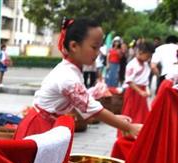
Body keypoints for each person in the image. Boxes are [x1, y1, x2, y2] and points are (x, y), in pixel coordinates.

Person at [14, 18, 142, 140]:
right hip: (37, 129)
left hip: (44, 125)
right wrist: (128, 127)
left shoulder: (71, 70)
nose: (98, 53)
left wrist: (115, 118)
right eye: (94, 47)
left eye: (99, 47)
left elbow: (86, 105)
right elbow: (93, 110)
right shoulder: (68, 77)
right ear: (74, 46)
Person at [120, 42, 153, 131]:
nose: (148, 58)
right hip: (133, 91)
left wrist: (147, 90)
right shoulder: (132, 64)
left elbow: (145, 81)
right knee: (130, 113)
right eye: (147, 55)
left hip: (141, 92)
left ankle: (140, 133)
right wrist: (140, 91)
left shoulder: (146, 65)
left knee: (142, 114)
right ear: (141, 52)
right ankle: (127, 133)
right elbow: (129, 81)